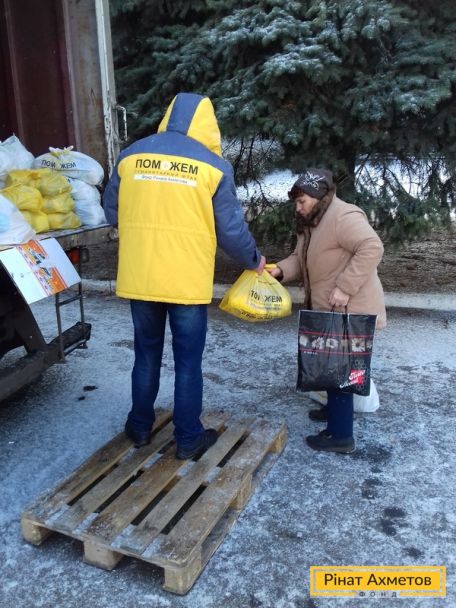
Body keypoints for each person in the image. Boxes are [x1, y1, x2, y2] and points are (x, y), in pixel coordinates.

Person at [103, 92, 265, 459]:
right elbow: (231, 230)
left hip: (141, 277)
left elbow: (112, 213)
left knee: (146, 354)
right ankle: (189, 437)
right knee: (188, 362)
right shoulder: (213, 166)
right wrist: (253, 260)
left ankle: (139, 427)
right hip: (186, 283)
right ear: (208, 125)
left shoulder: (131, 155)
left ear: (168, 117)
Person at [267, 168, 386, 454]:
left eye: (302, 201)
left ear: (318, 196)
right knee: (330, 366)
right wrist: (280, 270)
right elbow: (300, 259)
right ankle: (335, 412)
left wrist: (345, 287)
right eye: (296, 202)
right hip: (330, 309)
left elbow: (372, 247)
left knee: (341, 372)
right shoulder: (313, 221)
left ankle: (341, 436)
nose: (298, 207)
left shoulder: (343, 216)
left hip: (350, 308)